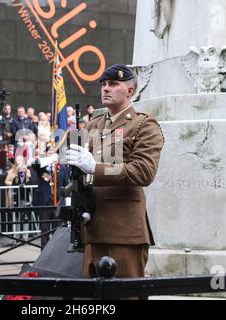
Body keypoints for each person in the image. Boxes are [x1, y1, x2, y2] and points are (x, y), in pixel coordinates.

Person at [66, 64, 164, 279]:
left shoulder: (143, 125)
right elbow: (82, 174)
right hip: (91, 227)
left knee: (124, 296)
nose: (105, 89)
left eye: (113, 84)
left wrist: (95, 167)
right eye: (103, 85)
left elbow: (143, 172)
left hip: (123, 231)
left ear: (130, 91)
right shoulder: (93, 125)